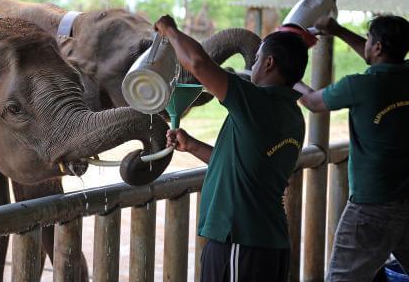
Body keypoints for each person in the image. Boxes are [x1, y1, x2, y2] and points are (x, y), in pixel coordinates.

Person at [154, 15, 309, 282]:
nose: (255, 64)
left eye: (258, 58)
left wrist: (170, 30)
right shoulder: (293, 115)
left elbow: (199, 64)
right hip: (269, 243)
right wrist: (191, 146)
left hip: (241, 242)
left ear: (269, 63)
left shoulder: (258, 103)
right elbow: (245, 166)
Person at [295, 15, 409, 281]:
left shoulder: (358, 85)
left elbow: (312, 102)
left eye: (369, 39)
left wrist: (286, 74)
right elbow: (379, 58)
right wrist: (338, 31)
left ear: (378, 46)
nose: (366, 44)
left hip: (371, 207)